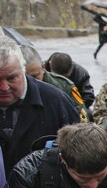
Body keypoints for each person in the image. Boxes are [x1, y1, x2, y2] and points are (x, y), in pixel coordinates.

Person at [0, 39, 79, 174]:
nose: (4, 87)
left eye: (12, 78)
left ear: (23, 70)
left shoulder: (56, 102)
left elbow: (79, 157)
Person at [20, 46, 88, 122]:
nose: (30, 81)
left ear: (43, 67)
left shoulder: (65, 86)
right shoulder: (8, 91)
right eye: (24, 77)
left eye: (35, 76)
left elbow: (82, 118)